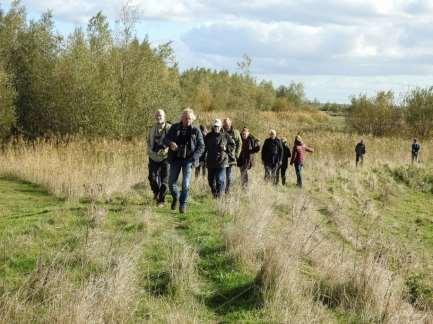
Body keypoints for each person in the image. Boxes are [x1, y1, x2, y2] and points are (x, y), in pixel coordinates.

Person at [164, 108, 204, 213]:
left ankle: (183, 203)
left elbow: (201, 146)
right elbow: (165, 139)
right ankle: (176, 197)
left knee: (185, 184)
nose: (187, 120)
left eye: (190, 118)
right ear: (182, 118)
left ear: (193, 119)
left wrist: (194, 157)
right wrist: (170, 143)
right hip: (175, 158)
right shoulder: (174, 127)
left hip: (189, 160)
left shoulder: (196, 130)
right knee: (171, 183)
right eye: (186, 118)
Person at [204, 119, 235, 198]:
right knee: (211, 181)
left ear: (221, 126)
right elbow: (204, 148)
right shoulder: (208, 136)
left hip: (222, 161)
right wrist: (201, 159)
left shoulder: (226, 135)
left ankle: (220, 197)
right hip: (210, 161)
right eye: (215, 126)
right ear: (213, 126)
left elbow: (232, 145)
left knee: (220, 180)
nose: (216, 127)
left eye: (218, 126)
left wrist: (226, 148)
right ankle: (215, 194)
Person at [147, 109, 171, 207]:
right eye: (157, 115)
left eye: (160, 115)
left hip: (166, 157)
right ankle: (156, 193)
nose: (158, 117)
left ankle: (161, 200)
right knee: (151, 178)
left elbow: (174, 141)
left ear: (164, 117)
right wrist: (149, 150)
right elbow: (148, 141)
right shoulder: (151, 129)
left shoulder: (170, 128)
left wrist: (167, 149)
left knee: (164, 180)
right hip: (153, 157)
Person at [222, 118, 241, 193]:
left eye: (227, 124)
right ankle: (221, 190)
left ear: (230, 123)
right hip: (222, 157)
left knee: (228, 175)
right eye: (225, 124)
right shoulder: (221, 131)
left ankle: (227, 190)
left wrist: (236, 154)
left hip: (231, 157)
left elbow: (240, 143)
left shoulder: (235, 132)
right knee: (222, 175)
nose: (226, 125)